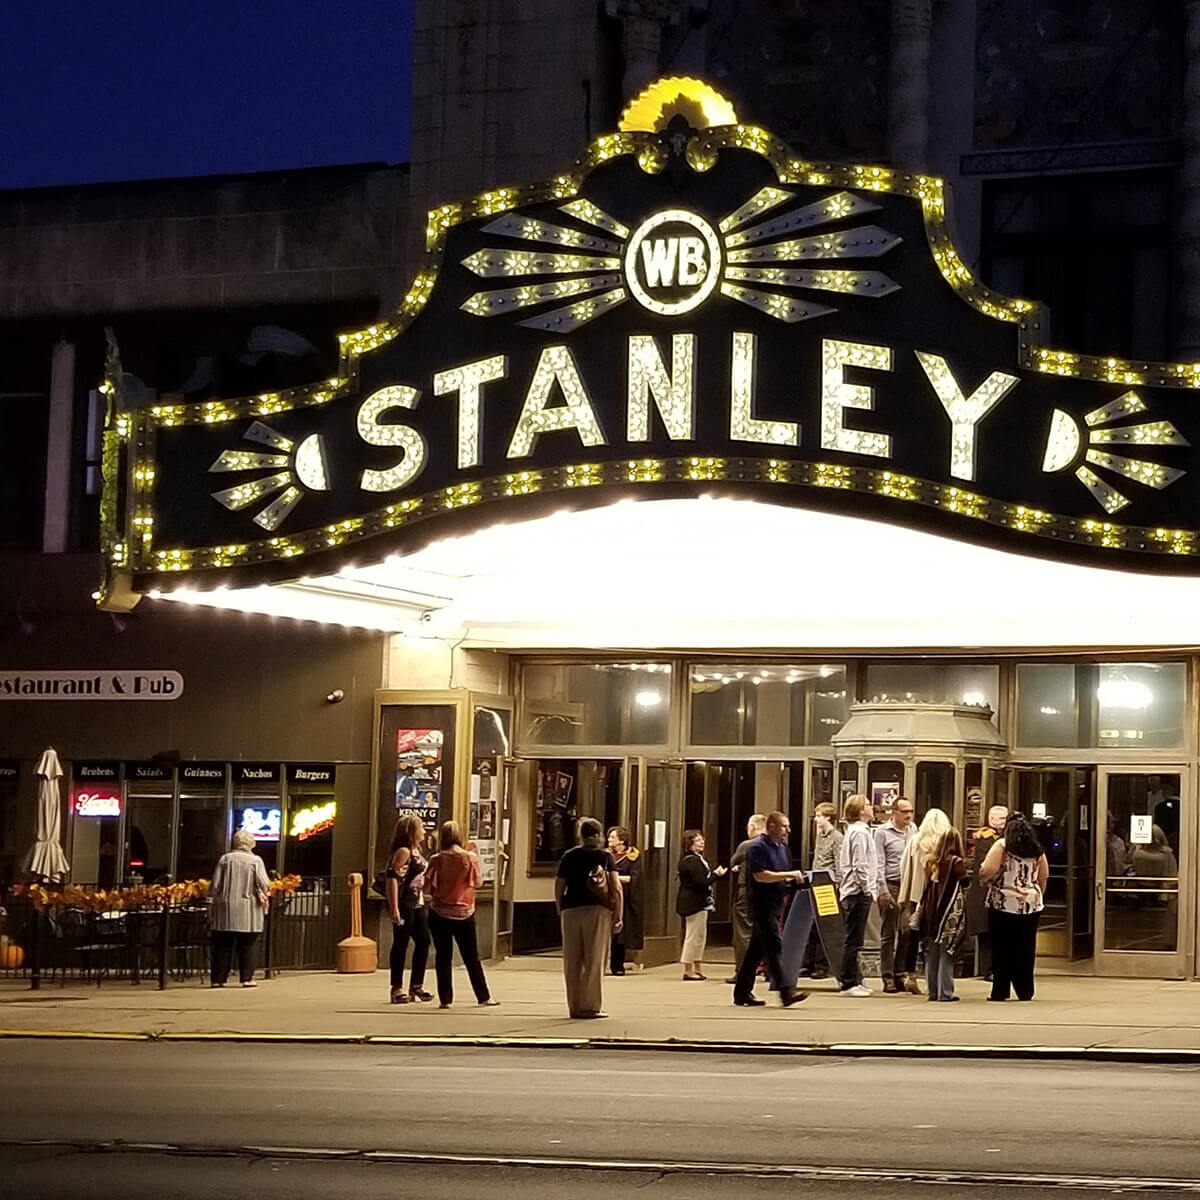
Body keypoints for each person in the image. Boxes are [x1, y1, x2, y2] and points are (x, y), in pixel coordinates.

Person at [731, 811, 807, 1008]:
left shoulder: (783, 849)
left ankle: (741, 992)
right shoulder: (756, 848)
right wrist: (788, 875)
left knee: (755, 950)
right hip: (760, 904)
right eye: (784, 826)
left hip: (776, 903)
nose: (787, 831)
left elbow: (782, 875)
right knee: (774, 947)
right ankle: (785, 991)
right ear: (771, 826)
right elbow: (760, 876)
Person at [425, 820, 498, 1009]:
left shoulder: (436, 859)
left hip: (439, 912)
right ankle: (483, 996)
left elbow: (427, 887)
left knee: (443, 956)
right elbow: (478, 882)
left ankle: (446, 999)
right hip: (464, 912)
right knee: (471, 956)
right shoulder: (470, 857)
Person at [556, 817, 623, 1018]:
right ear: (600, 835)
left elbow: (559, 884)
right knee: (595, 958)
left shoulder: (569, 856)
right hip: (597, 910)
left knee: (572, 960)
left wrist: (560, 907)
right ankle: (591, 1005)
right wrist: (618, 915)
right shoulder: (605, 857)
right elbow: (616, 887)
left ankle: (574, 1006)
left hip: (571, 910)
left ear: (581, 835)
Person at [980, 811, 1049, 1002]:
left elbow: (988, 869)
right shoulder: (1037, 849)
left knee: (1002, 946)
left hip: (1003, 901)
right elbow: (1044, 875)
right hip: (1031, 903)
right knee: (1026, 946)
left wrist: (984, 879)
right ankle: (1025, 989)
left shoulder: (1002, 846)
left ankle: (1000, 990)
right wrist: (1038, 894)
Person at [895, 806, 952, 995]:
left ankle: (910, 974)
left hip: (916, 894)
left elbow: (904, 867)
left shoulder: (915, 841)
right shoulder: (946, 842)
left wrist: (906, 893)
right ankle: (935, 980)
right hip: (938, 896)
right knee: (934, 939)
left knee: (913, 935)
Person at [208, 829, 271, 988]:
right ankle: (246, 978)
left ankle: (218, 979)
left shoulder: (225, 859)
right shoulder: (255, 861)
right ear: (250, 843)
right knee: (247, 944)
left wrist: (213, 899)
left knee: (222, 944)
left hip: (225, 908)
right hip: (248, 909)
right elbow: (265, 883)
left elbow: (215, 885)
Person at [385, 812, 432, 1004]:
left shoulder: (416, 851)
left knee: (424, 941)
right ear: (412, 831)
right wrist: (394, 907)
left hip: (417, 902)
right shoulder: (403, 852)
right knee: (401, 943)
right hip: (405, 904)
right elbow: (392, 879)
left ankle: (416, 985)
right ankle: (396, 988)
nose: (424, 830)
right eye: (420, 827)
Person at [918, 827, 969, 1002]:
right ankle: (945, 992)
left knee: (932, 952)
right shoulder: (956, 862)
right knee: (947, 951)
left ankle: (932, 991)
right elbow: (965, 882)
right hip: (948, 912)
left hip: (930, 911)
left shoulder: (931, 862)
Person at [837, 794, 878, 997]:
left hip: (853, 890)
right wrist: (867, 887)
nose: (872, 807)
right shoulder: (860, 833)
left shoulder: (855, 831)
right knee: (853, 939)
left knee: (854, 938)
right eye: (868, 804)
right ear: (861, 810)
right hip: (857, 891)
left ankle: (855, 979)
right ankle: (848, 982)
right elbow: (860, 864)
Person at [875, 796, 915, 993]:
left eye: (910, 811)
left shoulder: (913, 830)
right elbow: (878, 863)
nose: (908, 815)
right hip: (890, 885)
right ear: (894, 812)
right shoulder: (882, 833)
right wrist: (882, 890)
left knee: (906, 931)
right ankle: (887, 976)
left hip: (907, 886)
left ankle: (900, 973)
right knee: (888, 933)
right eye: (904, 812)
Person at [676, 828, 726, 980]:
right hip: (693, 903)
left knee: (700, 936)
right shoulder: (690, 861)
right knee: (693, 935)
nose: (701, 842)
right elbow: (700, 882)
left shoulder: (697, 859)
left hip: (700, 902)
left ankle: (697, 966)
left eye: (702, 839)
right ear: (689, 843)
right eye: (697, 840)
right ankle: (688, 969)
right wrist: (716, 875)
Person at [801, 802, 843, 980]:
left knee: (825, 926)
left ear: (828, 817)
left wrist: (838, 885)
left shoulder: (837, 837)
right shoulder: (819, 836)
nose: (816, 819)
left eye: (819, 816)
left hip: (828, 885)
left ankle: (821, 965)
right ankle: (808, 963)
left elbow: (839, 862)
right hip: (815, 882)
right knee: (812, 926)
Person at [966, 805, 1008, 979]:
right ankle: (988, 969)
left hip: (995, 891)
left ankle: (995, 967)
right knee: (987, 932)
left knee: (994, 932)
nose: (1005, 822)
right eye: (1002, 819)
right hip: (984, 891)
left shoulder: (1001, 838)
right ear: (993, 820)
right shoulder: (986, 839)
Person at [726, 813, 767, 984]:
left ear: (752, 827)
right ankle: (769, 969)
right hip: (768, 892)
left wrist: (739, 866)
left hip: (748, 891)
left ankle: (743, 970)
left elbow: (733, 861)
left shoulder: (748, 845)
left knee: (744, 931)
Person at [607, 826, 643, 975]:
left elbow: (634, 878)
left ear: (622, 840)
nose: (609, 839)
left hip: (624, 898)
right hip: (606, 897)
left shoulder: (633, 856)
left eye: (612, 837)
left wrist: (614, 877)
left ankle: (618, 965)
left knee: (620, 933)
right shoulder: (605, 855)